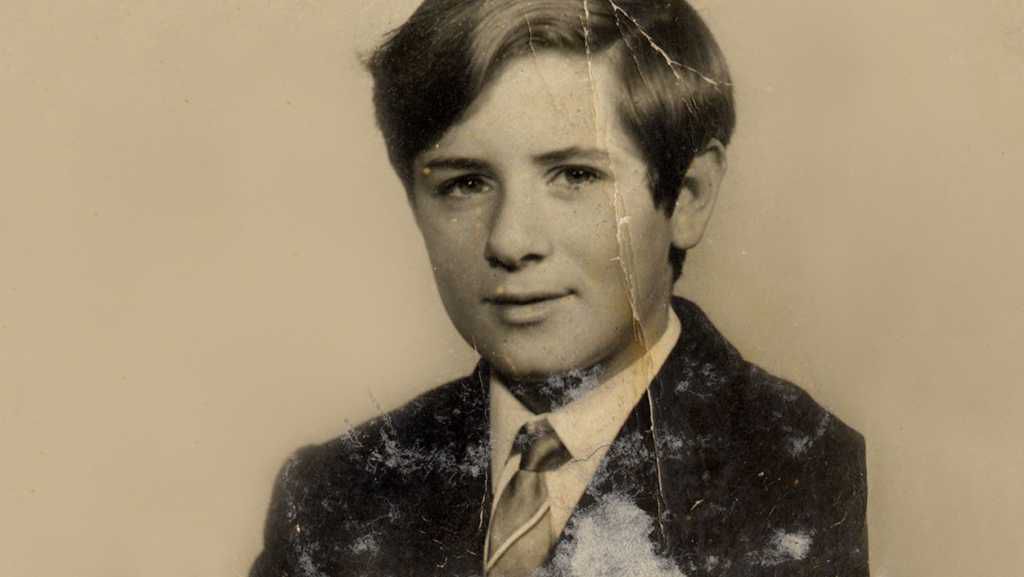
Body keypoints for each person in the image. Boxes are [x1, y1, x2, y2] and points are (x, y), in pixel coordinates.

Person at [250, 1, 869, 576]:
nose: (510, 241)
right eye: (465, 183)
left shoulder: (790, 466)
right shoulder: (333, 495)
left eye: (575, 175)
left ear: (688, 196)